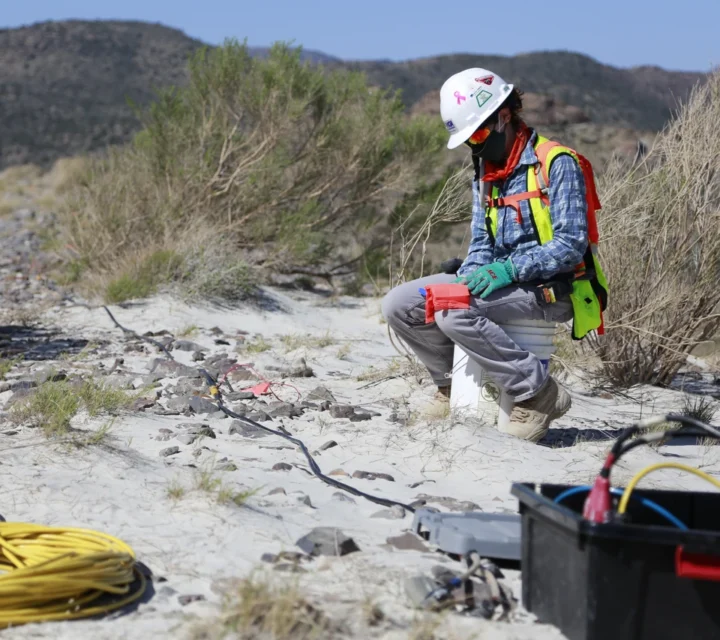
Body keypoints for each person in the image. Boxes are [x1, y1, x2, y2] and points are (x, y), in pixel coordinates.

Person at [382, 68, 608, 442]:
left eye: (480, 134)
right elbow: (481, 242)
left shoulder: (557, 163)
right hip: (500, 282)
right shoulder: (486, 172)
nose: (476, 146)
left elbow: (570, 245)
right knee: (400, 305)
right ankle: (449, 385)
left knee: (453, 312)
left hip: (554, 288)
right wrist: (471, 275)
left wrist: (508, 270)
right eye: (469, 140)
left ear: (505, 115)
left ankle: (539, 393)